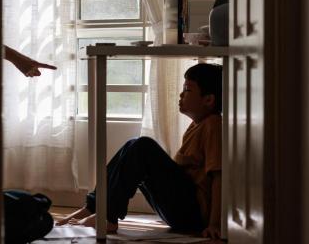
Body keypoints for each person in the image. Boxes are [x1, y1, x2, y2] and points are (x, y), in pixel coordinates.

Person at [57, 63, 223, 239]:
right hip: (183, 210)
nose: (181, 94)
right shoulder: (197, 125)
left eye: (188, 90)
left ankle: (107, 216)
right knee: (133, 145)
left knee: (143, 146)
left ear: (208, 100)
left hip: (193, 215)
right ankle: (94, 207)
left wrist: (214, 224)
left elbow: (219, 177)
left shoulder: (213, 125)